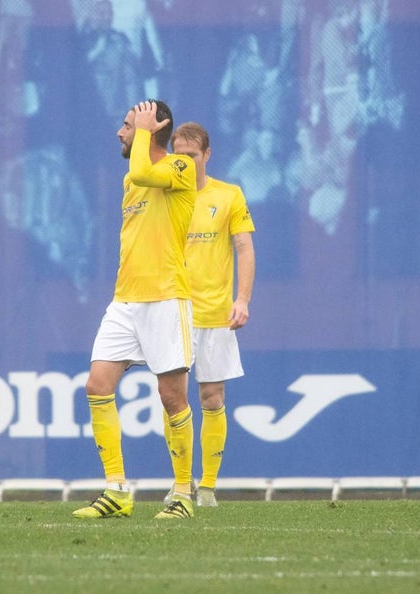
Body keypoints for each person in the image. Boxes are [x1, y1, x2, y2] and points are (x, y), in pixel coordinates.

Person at [73, 100, 199, 520]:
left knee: (171, 396)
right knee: (97, 385)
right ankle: (117, 490)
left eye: (127, 125)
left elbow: (143, 170)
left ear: (150, 129)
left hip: (166, 297)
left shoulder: (180, 168)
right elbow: (138, 175)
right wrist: (143, 134)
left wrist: (145, 131)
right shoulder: (133, 180)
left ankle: (183, 493)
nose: (120, 133)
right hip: (126, 299)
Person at [163, 122, 255, 507]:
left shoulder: (228, 195)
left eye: (192, 156)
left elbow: (244, 248)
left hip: (215, 311)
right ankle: (181, 483)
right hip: (171, 310)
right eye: (178, 156)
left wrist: (243, 299)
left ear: (207, 155)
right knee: (174, 400)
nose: (185, 163)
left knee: (212, 397)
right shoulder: (164, 195)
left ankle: (209, 487)